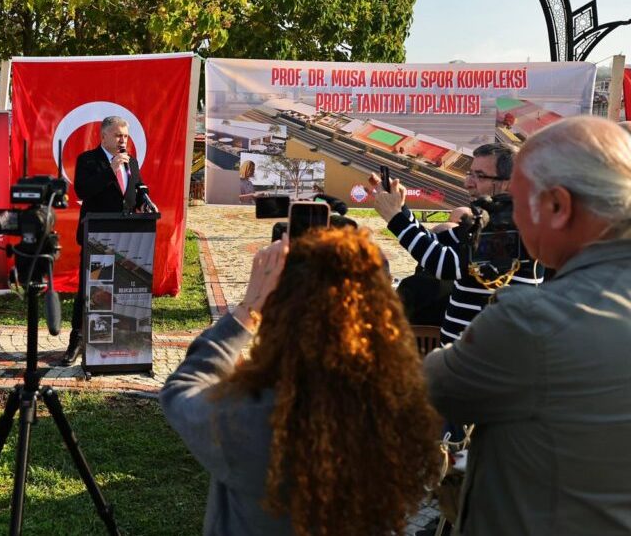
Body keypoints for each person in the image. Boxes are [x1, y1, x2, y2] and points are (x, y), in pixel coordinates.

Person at [425, 116, 631, 535]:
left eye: (516, 204)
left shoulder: (531, 322)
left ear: (557, 206)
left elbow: (420, 395)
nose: (512, 221)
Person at [161, 227, 440, 536]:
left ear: (281, 314)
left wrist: (246, 311)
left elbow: (181, 390)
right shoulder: (399, 409)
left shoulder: (251, 418)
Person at [369, 143, 544, 344]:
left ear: (510, 183)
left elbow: (444, 265)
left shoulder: (512, 226)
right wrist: (400, 209)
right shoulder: (488, 219)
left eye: (479, 176)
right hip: (471, 360)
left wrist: (395, 218)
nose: (468, 183)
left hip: (492, 364)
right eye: (469, 174)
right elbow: (434, 242)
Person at [61, 115, 145, 365]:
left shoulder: (133, 162)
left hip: (125, 237)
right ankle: (76, 341)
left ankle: (116, 340)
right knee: (90, 290)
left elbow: (135, 193)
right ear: (104, 136)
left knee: (118, 290)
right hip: (96, 237)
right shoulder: (88, 160)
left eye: (126, 136)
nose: (123, 140)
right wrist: (111, 169)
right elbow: (83, 190)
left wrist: (143, 201)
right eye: (119, 135)